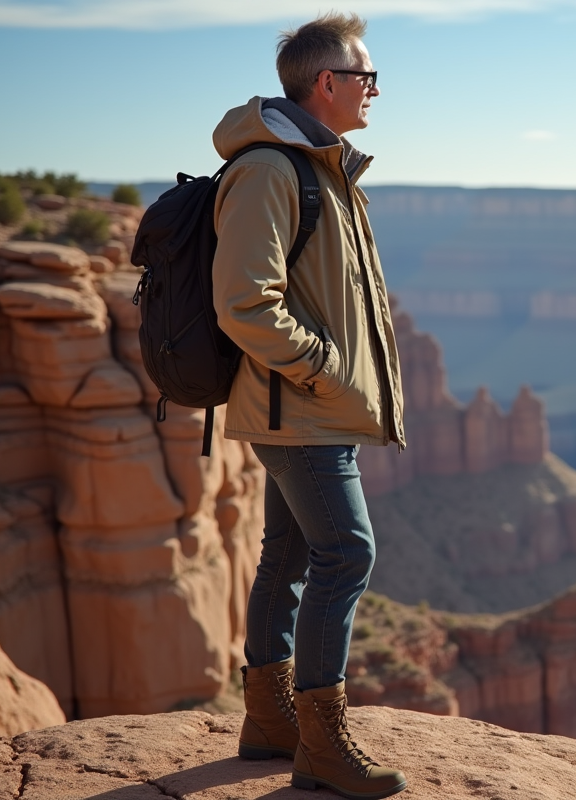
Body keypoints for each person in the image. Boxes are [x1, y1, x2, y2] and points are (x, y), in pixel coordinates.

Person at [210, 12, 407, 800]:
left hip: (311, 407)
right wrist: (323, 371)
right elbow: (244, 302)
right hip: (300, 408)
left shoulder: (322, 169)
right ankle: (323, 745)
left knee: (288, 556)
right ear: (327, 83)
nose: (375, 90)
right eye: (366, 77)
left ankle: (269, 722)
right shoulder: (272, 170)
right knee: (347, 554)